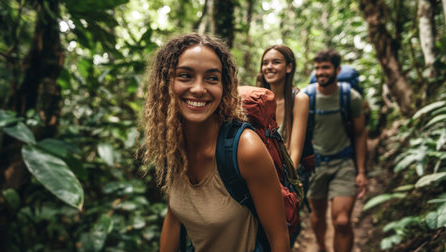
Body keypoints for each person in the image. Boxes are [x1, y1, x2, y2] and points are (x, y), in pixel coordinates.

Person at [141, 33, 290, 252]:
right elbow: (174, 218)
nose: (199, 89)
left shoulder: (245, 149)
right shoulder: (173, 142)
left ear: (224, 87)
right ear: (165, 83)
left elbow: (279, 239)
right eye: (185, 76)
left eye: (212, 78)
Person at [305, 49, 367, 252]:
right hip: (316, 165)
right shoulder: (307, 97)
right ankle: (321, 246)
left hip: (344, 164)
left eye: (326, 67)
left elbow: (359, 134)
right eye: (317, 68)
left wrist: (361, 172)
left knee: (341, 221)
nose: (320, 72)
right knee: (318, 215)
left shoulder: (351, 97)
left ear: (337, 70)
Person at [256, 45, 309, 168]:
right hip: (262, 171)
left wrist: (290, 183)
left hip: (289, 171)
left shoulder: (299, 99)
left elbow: (295, 151)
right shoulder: (258, 100)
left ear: (289, 67)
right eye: (265, 63)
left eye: (276, 62)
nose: (269, 67)